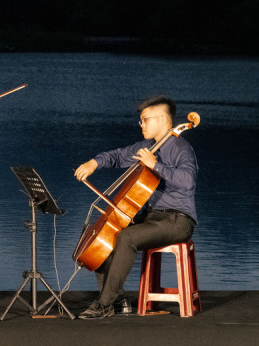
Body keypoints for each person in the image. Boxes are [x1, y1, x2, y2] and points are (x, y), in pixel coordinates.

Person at [74, 95, 198, 319]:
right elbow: (117, 156)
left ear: (162, 120)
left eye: (145, 120)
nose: (141, 124)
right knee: (106, 234)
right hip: (151, 217)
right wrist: (94, 162)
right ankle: (118, 299)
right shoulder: (146, 146)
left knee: (127, 237)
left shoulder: (182, 148)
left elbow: (187, 180)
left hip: (178, 220)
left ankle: (104, 304)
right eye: (140, 120)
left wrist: (155, 165)